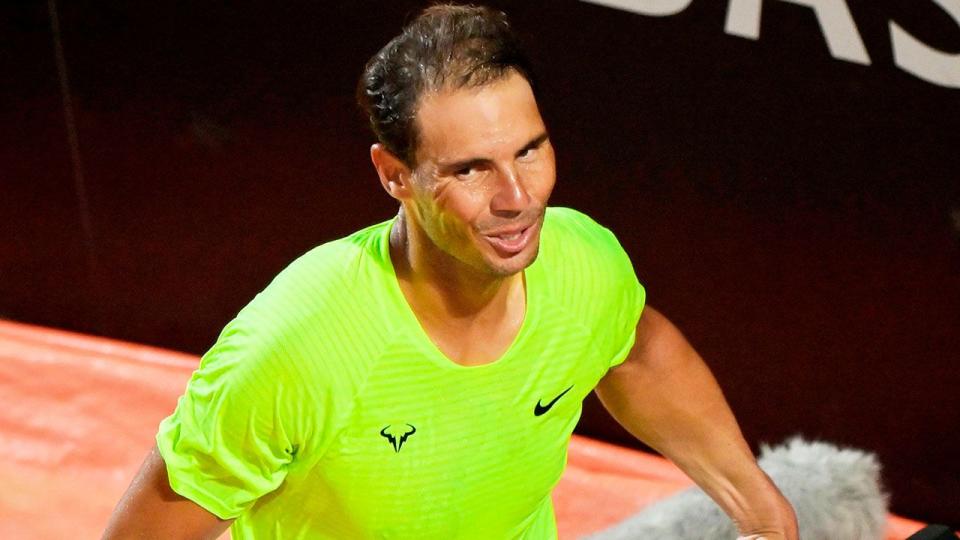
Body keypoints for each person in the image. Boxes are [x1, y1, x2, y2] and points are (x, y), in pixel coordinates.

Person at [102, 4, 798, 539]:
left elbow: (636, 351)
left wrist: (759, 506)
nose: (519, 199)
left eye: (531, 151)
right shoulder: (299, 344)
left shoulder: (582, 260)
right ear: (394, 175)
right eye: (472, 170)